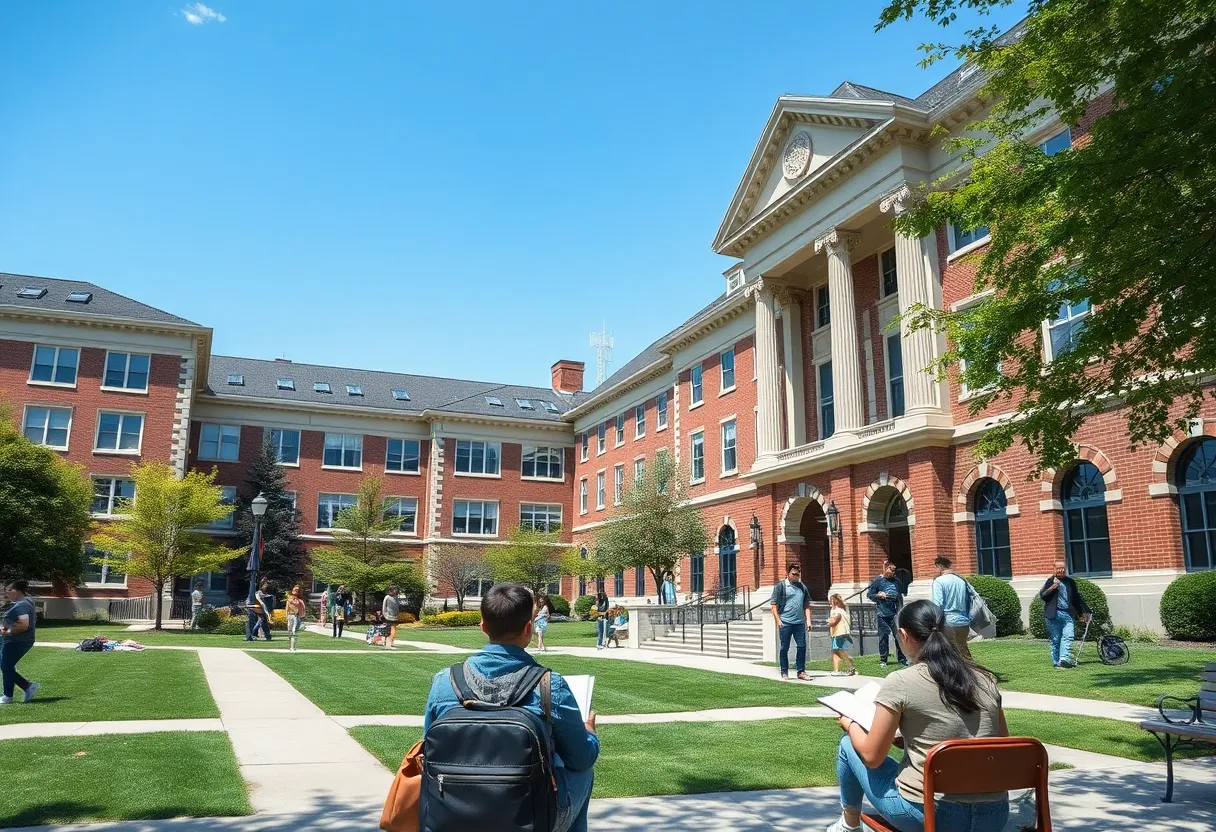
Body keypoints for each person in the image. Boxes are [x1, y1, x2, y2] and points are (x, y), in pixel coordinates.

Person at [424, 585, 598, 832]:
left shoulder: (445, 681)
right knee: (583, 773)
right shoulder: (549, 685)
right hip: (526, 817)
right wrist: (589, 733)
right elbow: (580, 759)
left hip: (450, 813)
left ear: (482, 626)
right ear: (528, 628)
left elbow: (428, 751)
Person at [828, 600, 1010, 832]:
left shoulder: (901, 681)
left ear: (904, 635)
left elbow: (872, 757)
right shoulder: (985, 679)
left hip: (930, 814)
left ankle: (849, 824)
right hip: (994, 816)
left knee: (848, 744)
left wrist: (850, 723)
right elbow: (1002, 744)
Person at [1039, 561, 1092, 668]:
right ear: (1054, 569)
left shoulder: (1070, 582)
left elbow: (1076, 599)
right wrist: (1052, 588)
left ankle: (1064, 659)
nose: (1061, 570)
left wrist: (1081, 613)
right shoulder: (1050, 581)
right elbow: (1043, 596)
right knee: (1056, 639)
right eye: (1059, 568)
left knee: (1068, 636)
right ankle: (1056, 661)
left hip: (1067, 614)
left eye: (1063, 568)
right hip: (1054, 614)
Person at [769, 562, 812, 681]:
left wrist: (808, 620)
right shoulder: (781, 587)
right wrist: (778, 620)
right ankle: (784, 671)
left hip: (799, 623)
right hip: (785, 622)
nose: (796, 576)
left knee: (802, 646)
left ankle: (801, 671)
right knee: (784, 648)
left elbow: (806, 605)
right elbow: (773, 605)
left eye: (797, 574)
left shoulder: (802, 587)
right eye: (793, 574)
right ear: (788, 573)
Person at [0, 580, 40, 705]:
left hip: (17, 641)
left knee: (6, 667)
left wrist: (3, 630)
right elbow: (34, 619)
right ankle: (10, 695)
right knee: (6, 666)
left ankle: (25, 688)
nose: (7, 593)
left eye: (9, 590)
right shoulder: (26, 601)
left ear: (18, 590)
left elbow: (23, 626)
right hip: (14, 640)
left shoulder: (21, 605)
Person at [930, 557, 973, 660]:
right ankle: (972, 669)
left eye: (935, 567)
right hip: (963, 621)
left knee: (949, 655)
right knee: (963, 652)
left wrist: (935, 622)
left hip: (947, 622)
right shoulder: (961, 580)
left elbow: (938, 604)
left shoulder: (939, 581)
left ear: (939, 566)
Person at [867, 561, 908, 668]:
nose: (891, 574)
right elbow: (870, 595)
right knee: (883, 636)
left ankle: (902, 658)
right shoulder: (878, 581)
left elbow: (899, 596)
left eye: (893, 572)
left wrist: (900, 610)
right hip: (882, 613)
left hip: (894, 612)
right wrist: (878, 596)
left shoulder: (896, 581)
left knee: (898, 636)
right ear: (884, 569)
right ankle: (883, 660)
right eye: (889, 571)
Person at [827, 594, 856, 677]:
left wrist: (828, 621)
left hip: (840, 634)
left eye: (831, 601)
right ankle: (836, 670)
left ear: (834, 602)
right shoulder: (838, 610)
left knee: (839, 650)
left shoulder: (838, 611)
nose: (829, 603)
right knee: (835, 651)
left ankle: (851, 665)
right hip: (837, 634)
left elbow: (833, 622)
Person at [284, 584, 307, 652]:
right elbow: (287, 608)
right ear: (292, 590)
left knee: (294, 631)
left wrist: (301, 614)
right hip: (290, 616)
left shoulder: (299, 600)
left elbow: (302, 608)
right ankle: (291, 646)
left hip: (296, 617)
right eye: (295, 589)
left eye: (297, 590)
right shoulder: (289, 598)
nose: (296, 591)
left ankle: (293, 647)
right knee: (290, 632)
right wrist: (286, 616)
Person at [381, 586, 400, 650]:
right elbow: (384, 606)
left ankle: (390, 641)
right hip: (388, 616)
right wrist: (384, 614)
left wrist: (397, 614)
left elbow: (397, 606)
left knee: (392, 629)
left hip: (393, 616)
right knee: (389, 629)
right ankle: (387, 641)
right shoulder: (388, 597)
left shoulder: (395, 597)